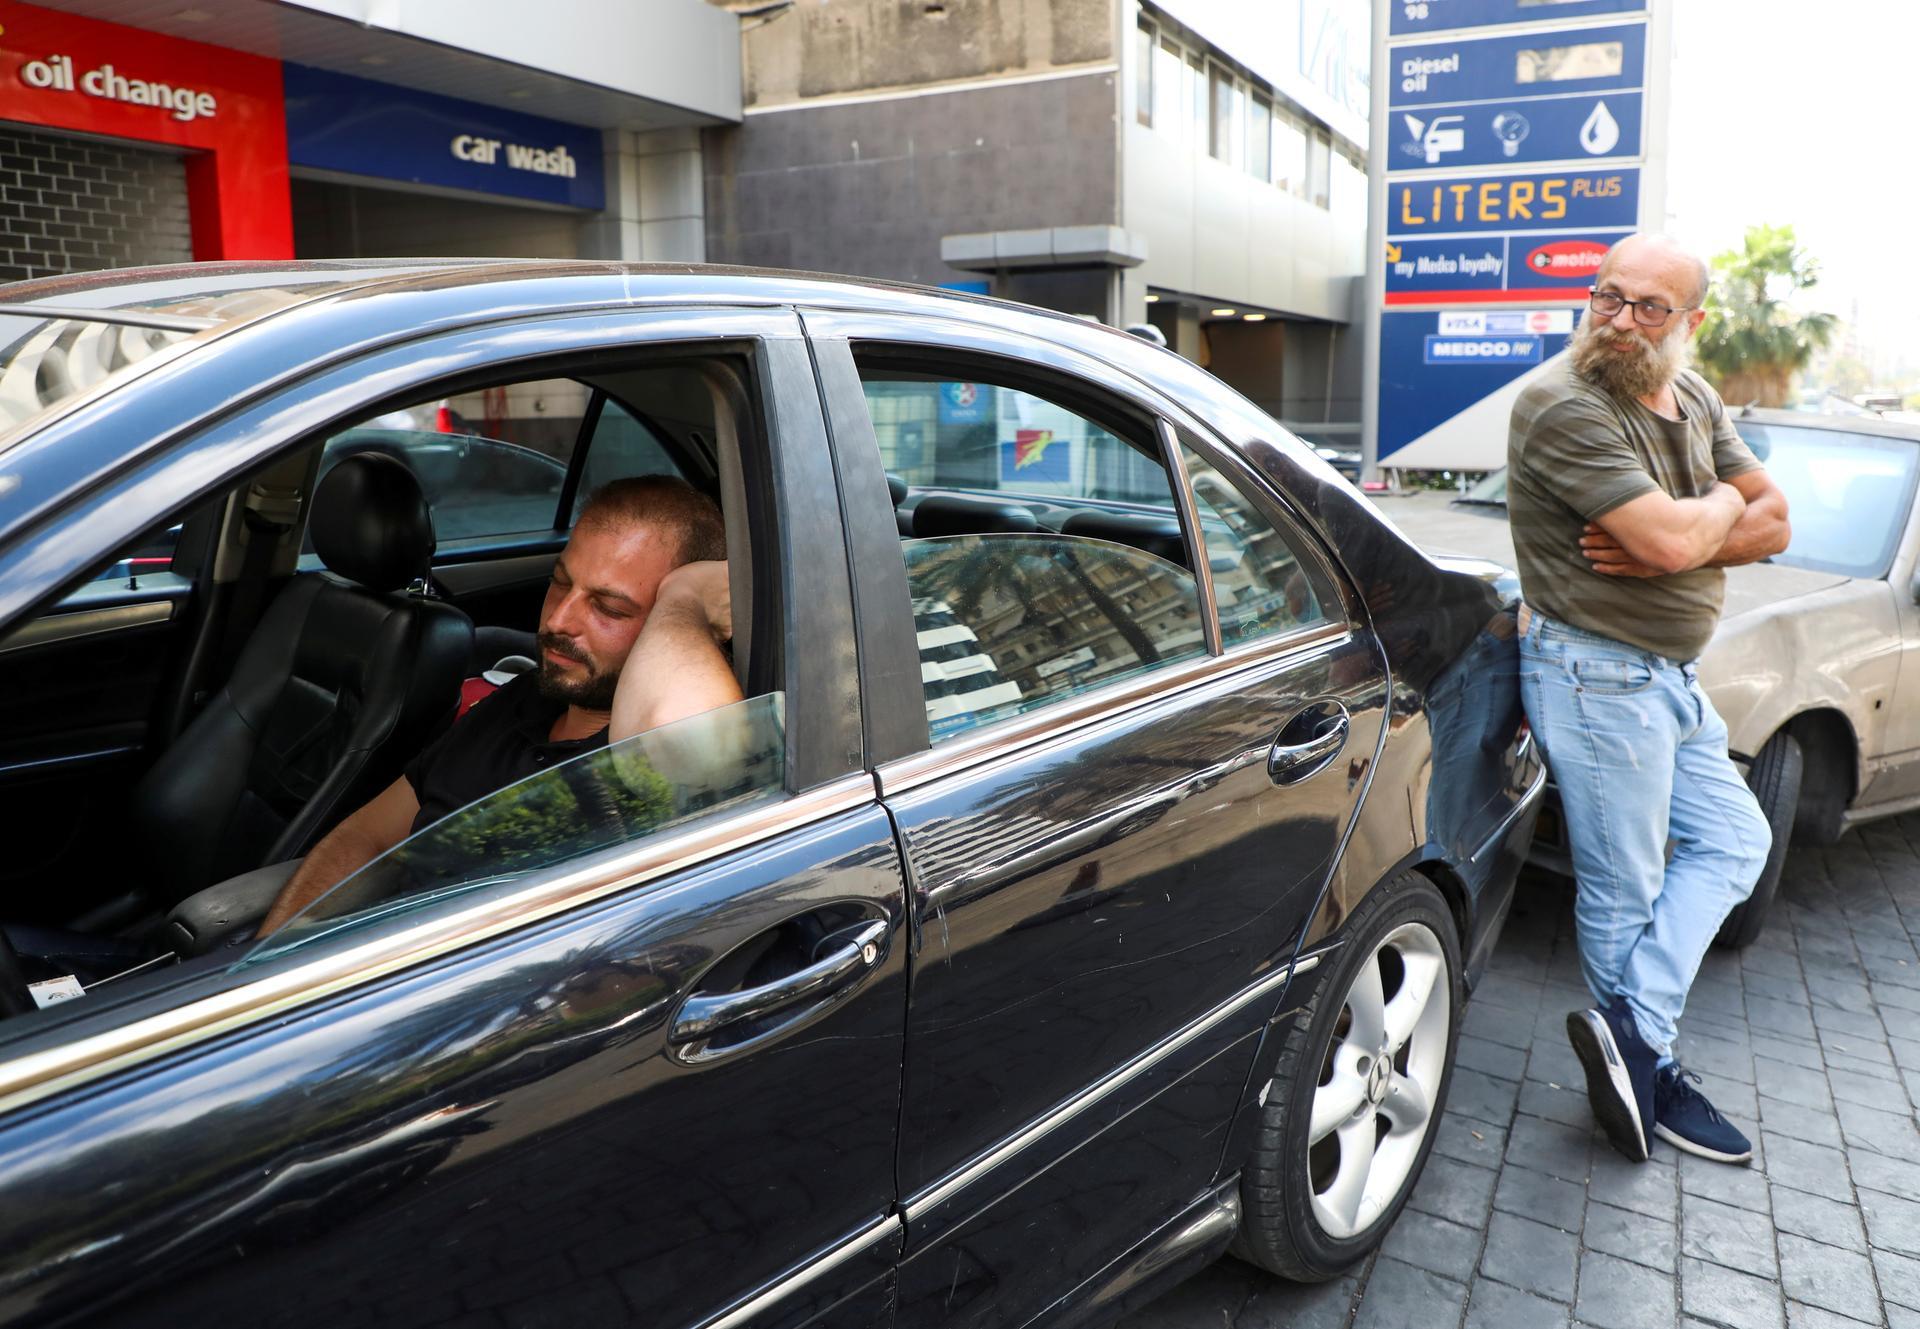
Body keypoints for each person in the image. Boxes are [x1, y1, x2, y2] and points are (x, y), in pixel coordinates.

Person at [1507, 233, 1790, 1166]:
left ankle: (1629, 1034)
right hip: (1594, 673)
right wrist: (1715, 510)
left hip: (1668, 676)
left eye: (1649, 308)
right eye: (1607, 297)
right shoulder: (1561, 405)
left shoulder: (1696, 395)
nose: (1620, 321)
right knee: (1623, 886)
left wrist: (1691, 523)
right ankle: (1646, 1073)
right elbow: (1682, 539)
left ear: (1691, 322)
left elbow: (1776, 519)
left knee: (1739, 839)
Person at [256, 475, 741, 936]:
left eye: (608, 608)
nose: (558, 619)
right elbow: (369, 835)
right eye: (559, 581)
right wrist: (268, 966)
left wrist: (686, 599)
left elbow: (686, 740)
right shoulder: (522, 700)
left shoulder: (659, 767)